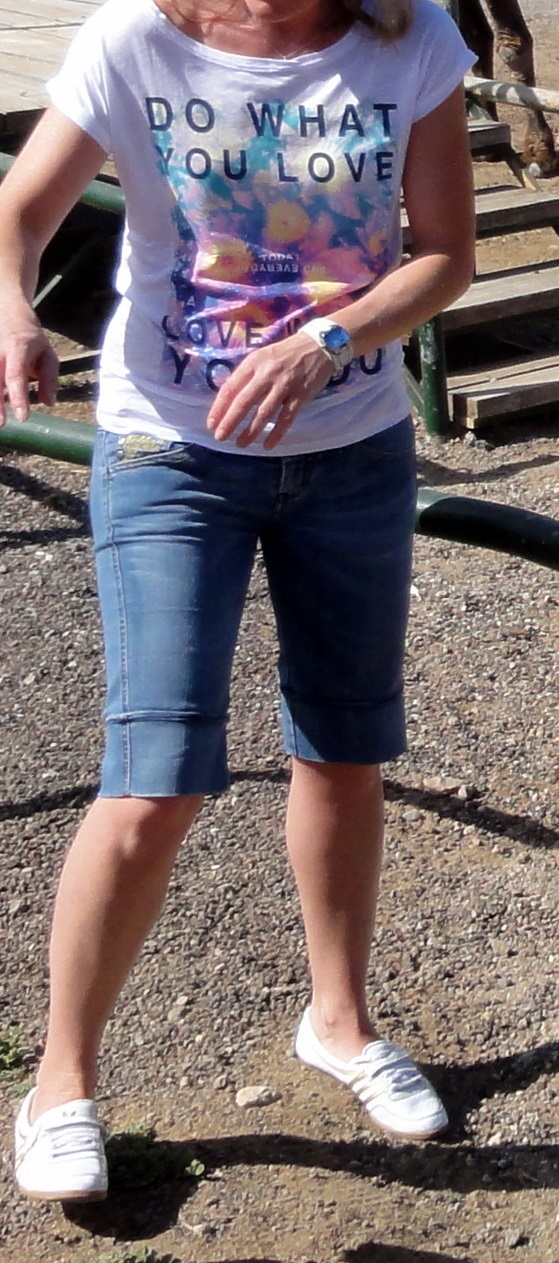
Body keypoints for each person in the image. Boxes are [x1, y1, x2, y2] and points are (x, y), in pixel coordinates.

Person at [0, 0, 475, 1202]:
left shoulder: (409, 35)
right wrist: (12, 307)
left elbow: (445, 253)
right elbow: (22, 210)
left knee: (345, 747)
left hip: (352, 448)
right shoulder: (134, 39)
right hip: (171, 449)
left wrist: (328, 341)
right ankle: (58, 1081)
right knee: (154, 775)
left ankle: (340, 1023)